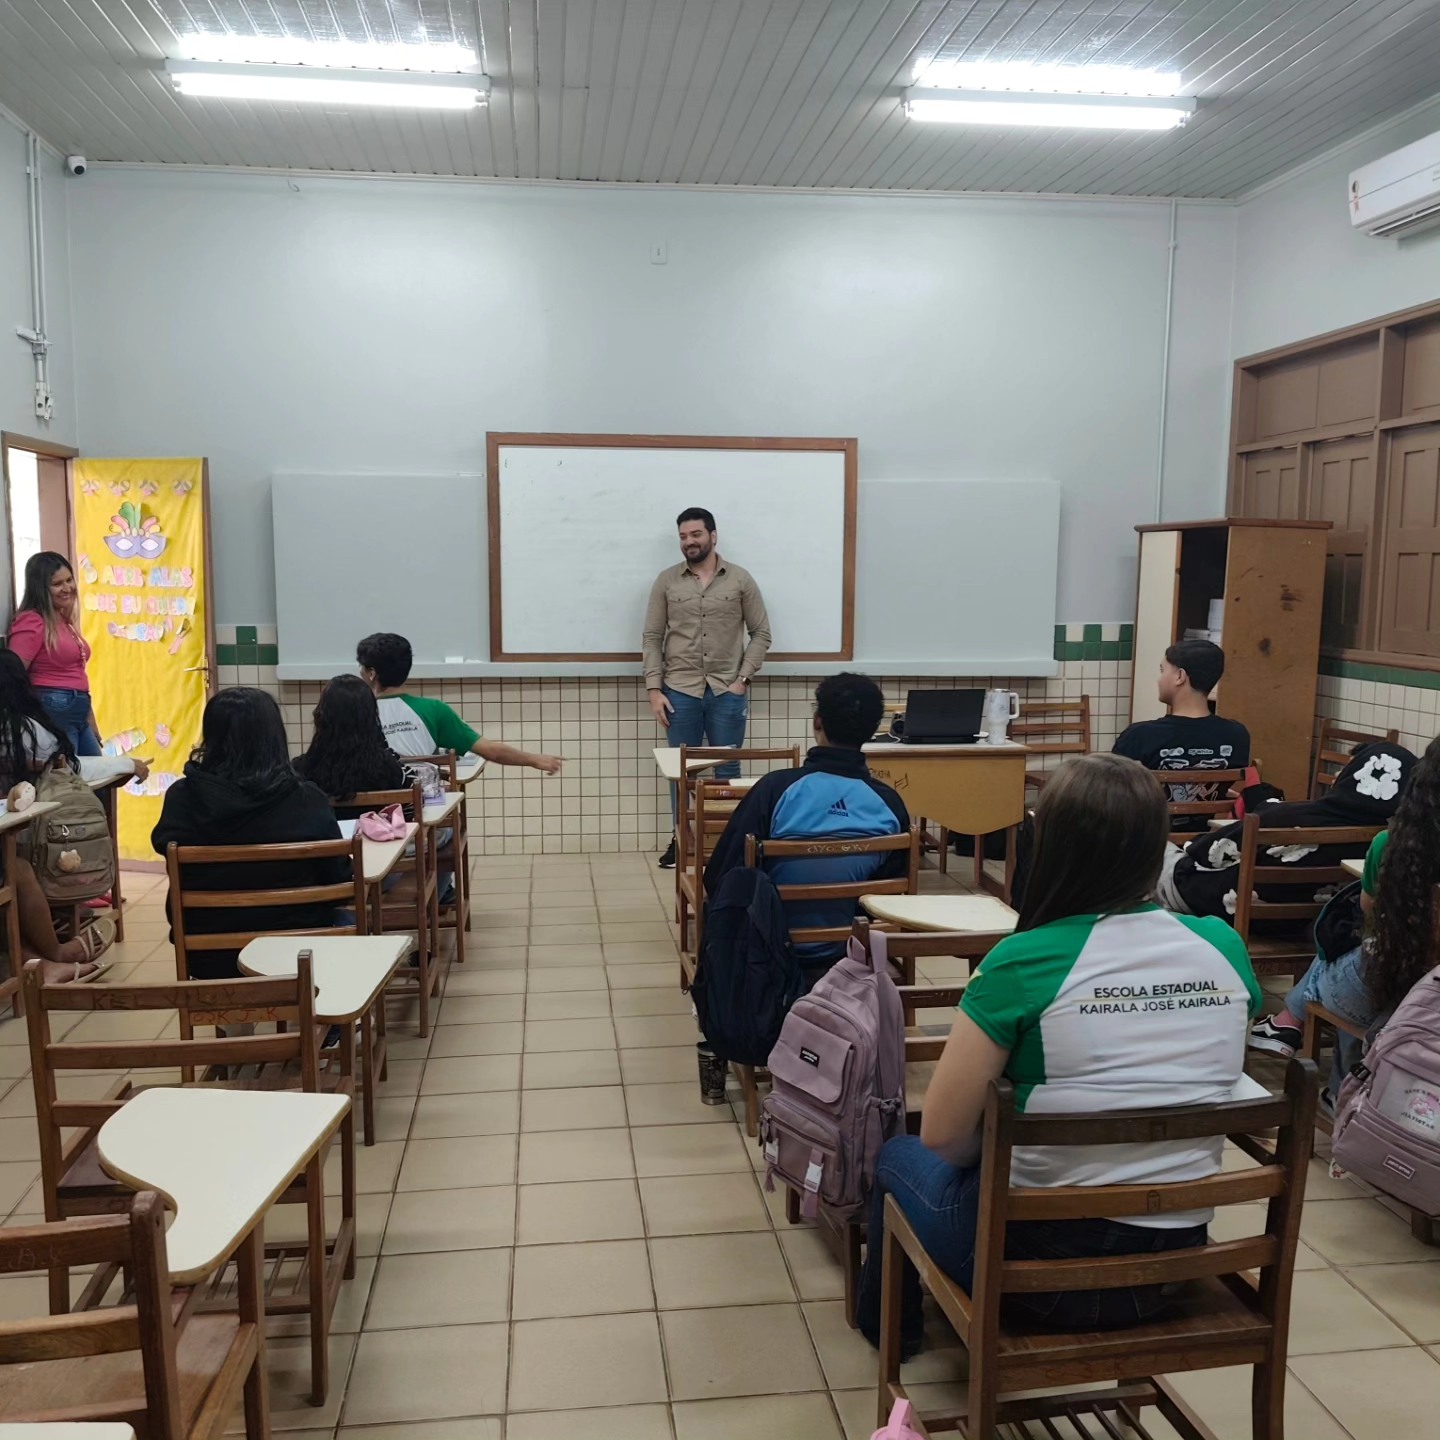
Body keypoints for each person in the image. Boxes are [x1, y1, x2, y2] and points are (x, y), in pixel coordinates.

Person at [855, 753, 1262, 1357]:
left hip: (1038, 1276)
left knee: (897, 1156)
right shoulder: (1221, 944)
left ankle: (893, 1337)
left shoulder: (1023, 962)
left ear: (1051, 845)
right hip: (1174, 1265)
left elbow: (944, 1137)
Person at [1249, 733, 1440, 1100]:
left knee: (1343, 951)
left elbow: (1370, 912)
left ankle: (1338, 1087)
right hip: (1420, 996)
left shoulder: (1393, 844)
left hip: (1387, 991)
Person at [703, 673, 908, 979]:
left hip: (767, 962)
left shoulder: (774, 790)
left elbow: (719, 878)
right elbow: (889, 897)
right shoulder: (889, 804)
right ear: (872, 728)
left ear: (817, 722)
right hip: (852, 959)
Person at [152, 688, 349, 979]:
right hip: (298, 955)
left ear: (211, 736)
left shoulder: (182, 798)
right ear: (275, 737)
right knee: (350, 921)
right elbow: (339, 879)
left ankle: (236, 1018)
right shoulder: (306, 800)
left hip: (206, 956)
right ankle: (335, 1019)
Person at [643, 507, 771, 868]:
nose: (689, 542)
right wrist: (655, 690)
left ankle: (723, 846)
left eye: (696, 535)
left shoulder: (740, 580)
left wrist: (742, 680)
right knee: (681, 771)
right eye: (683, 536)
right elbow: (652, 637)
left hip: (725, 691)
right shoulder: (667, 581)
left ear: (713, 536)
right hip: (679, 691)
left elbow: (761, 633)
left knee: (727, 771)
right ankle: (680, 841)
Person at [1159, 741, 1415, 922]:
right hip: (1309, 924)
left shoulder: (1284, 815)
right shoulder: (1390, 840)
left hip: (1225, 909)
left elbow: (1203, 853)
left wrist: (1189, 846)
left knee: (1156, 851)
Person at [0, 650, 119, 982]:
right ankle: (55, 955)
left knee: (14, 863)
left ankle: (46, 961)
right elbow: (68, 764)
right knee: (17, 867)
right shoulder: (32, 730)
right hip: (25, 834)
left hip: (16, 831)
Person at [356, 633, 562, 774]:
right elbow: (491, 750)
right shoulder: (434, 710)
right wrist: (534, 759)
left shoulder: (353, 713)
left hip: (368, 820)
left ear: (372, 674)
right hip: (422, 820)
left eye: (362, 668)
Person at [1113, 640, 1250, 809]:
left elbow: (1112, 795)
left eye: (1163, 671)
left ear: (1180, 677)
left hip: (1151, 833)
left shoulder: (1138, 736)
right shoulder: (1237, 735)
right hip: (1210, 834)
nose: (1159, 679)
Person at [8, 552, 102, 756]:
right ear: (41, 588)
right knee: (69, 781)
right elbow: (13, 674)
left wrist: (90, 718)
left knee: (98, 776)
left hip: (78, 708)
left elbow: (77, 673)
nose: (67, 588)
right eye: (57, 584)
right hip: (54, 708)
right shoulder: (32, 621)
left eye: (69, 580)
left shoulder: (61, 619)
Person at [293, 674, 407, 821]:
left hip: (326, 842)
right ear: (371, 718)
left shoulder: (300, 771)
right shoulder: (388, 769)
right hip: (377, 842)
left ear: (321, 717)